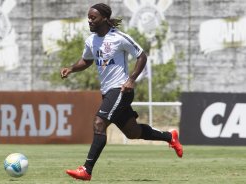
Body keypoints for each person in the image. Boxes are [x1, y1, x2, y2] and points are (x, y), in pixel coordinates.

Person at [60, 3, 183, 181]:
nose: (89, 20)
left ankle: (86, 170)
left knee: (99, 123)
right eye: (88, 17)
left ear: (103, 18)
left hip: (121, 89)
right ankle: (170, 137)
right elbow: (86, 60)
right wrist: (71, 68)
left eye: (93, 17)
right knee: (132, 132)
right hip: (108, 92)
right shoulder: (91, 40)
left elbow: (142, 55)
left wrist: (131, 79)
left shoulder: (119, 38)